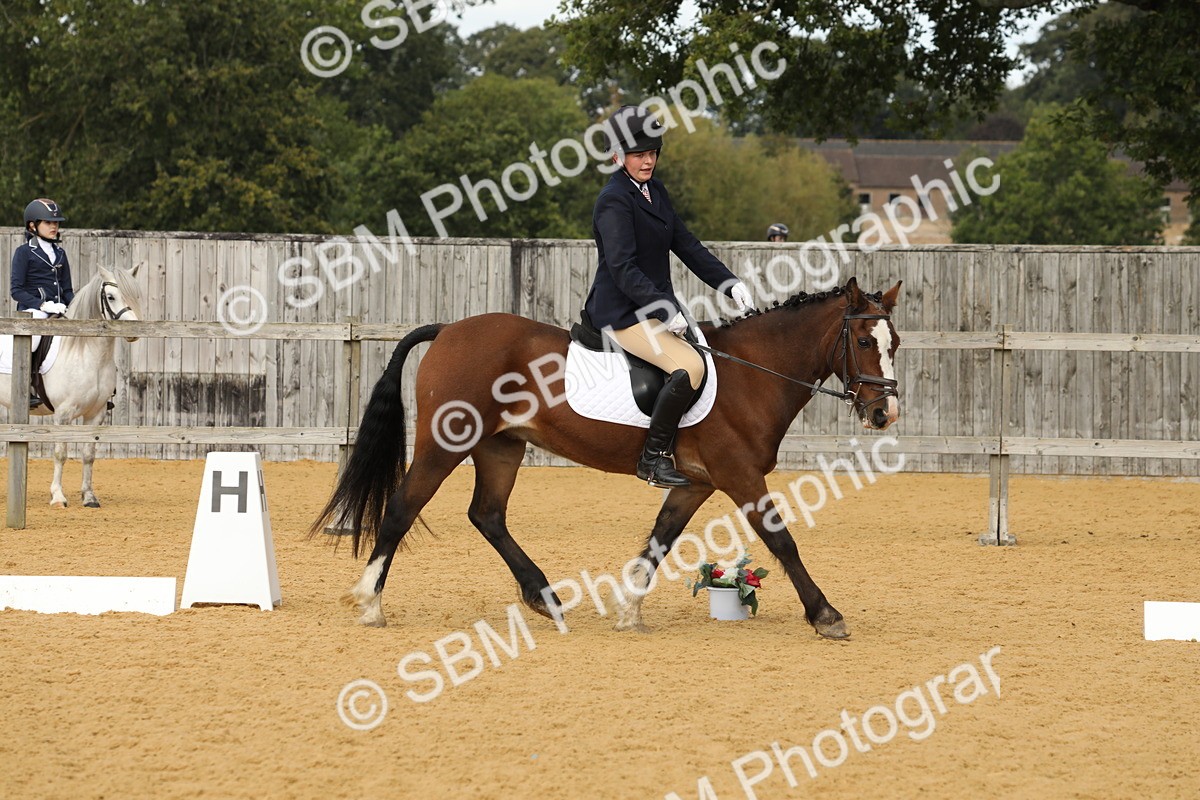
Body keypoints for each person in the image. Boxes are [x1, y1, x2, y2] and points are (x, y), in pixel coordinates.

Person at [584, 105, 754, 488]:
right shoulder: (614, 199)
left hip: (653, 307)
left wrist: (728, 283)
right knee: (690, 368)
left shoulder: (654, 192)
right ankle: (652, 458)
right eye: (638, 154)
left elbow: (686, 245)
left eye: (652, 153)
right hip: (622, 312)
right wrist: (663, 309)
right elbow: (623, 268)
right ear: (618, 156)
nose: (647, 161)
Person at [12, 198, 75, 408]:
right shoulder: (24, 252)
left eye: (56, 222)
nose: (54, 226)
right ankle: (26, 386)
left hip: (60, 309)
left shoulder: (60, 253)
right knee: (36, 337)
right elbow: (16, 290)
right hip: (33, 311)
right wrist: (42, 305)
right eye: (48, 222)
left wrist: (74, 309)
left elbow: (67, 289)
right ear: (32, 225)